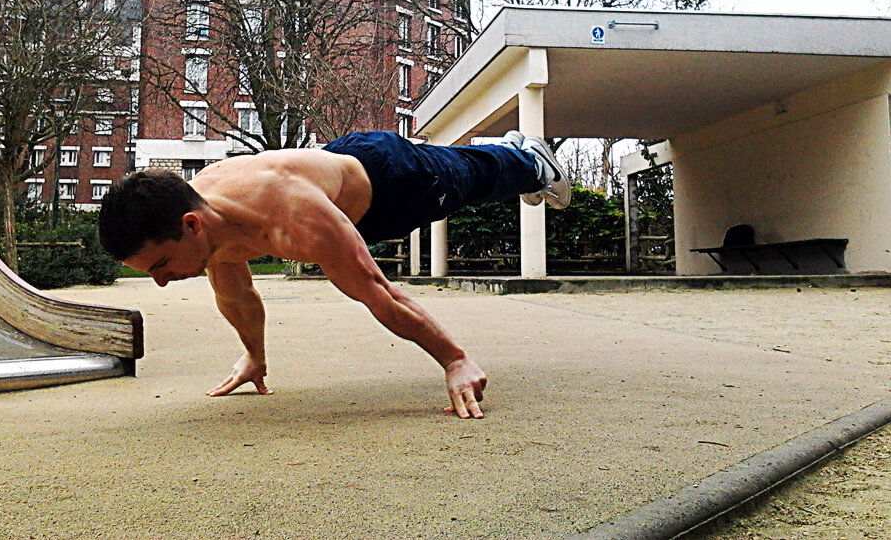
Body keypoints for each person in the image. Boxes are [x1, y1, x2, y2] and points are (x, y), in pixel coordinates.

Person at [98, 130, 570, 419]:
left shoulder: (290, 215)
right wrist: (254, 356)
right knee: (464, 172)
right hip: (339, 167)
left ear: (191, 226)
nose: (160, 282)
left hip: (395, 181)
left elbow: (379, 292)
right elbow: (238, 298)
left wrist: (454, 359)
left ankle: (528, 159)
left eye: (160, 267)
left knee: (467, 179)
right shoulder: (202, 225)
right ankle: (516, 159)